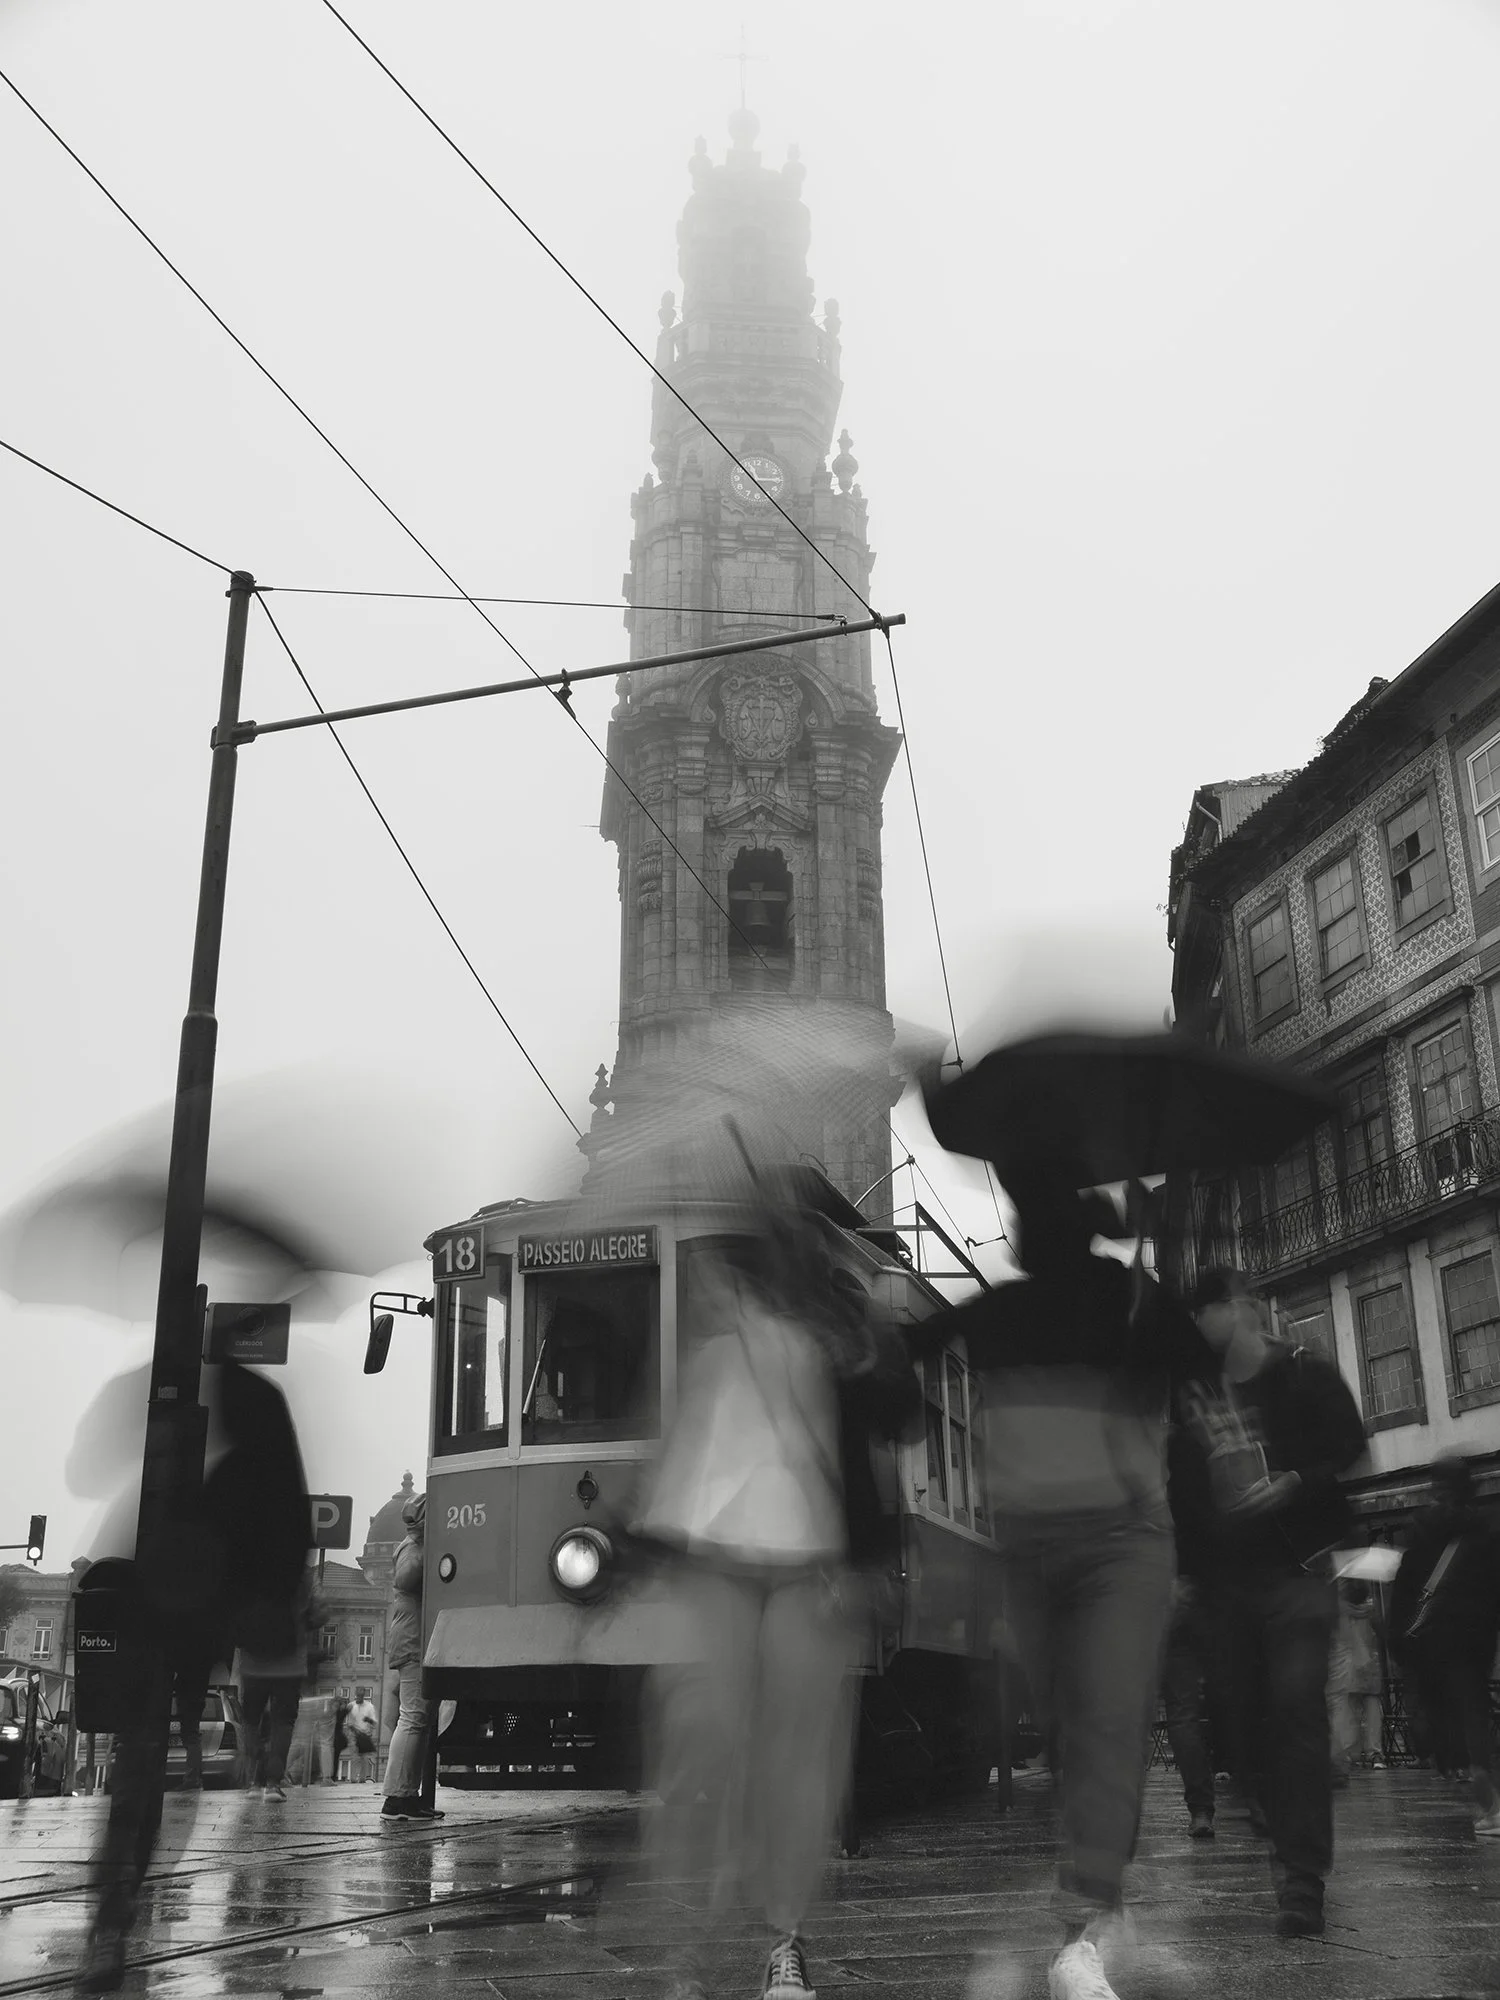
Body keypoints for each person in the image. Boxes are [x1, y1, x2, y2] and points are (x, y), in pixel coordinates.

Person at [910, 1170, 1218, 2000]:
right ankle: (1099, 1904)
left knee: (1108, 1721)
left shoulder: (1129, 1301)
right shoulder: (1014, 1310)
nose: (1017, 1233)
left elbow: (1197, 1369)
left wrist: (1156, 1295)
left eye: (1027, 1217)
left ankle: (1080, 1929)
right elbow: (907, 1350)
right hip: (1032, 1551)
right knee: (1072, 1731)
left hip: (1123, 1544)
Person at [635, 1210, 919, 2000]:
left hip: (814, 1564)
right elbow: (684, 1443)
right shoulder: (720, 1306)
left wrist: (871, 1348)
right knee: (706, 1736)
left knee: (797, 1761)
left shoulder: (843, 1320)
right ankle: (686, 1940)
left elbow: (897, 1416)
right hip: (715, 1554)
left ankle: (784, 1942)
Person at [1177, 1270, 1365, 1938]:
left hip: (1297, 1570)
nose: (1197, 1324)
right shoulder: (1189, 1393)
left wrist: (1294, 1483)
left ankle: (1302, 1880)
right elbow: (1177, 1481)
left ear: (1236, 1308)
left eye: (1204, 1311)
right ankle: (1276, 1824)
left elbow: (1352, 1452)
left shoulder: (1304, 1375)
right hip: (1223, 1585)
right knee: (1240, 1720)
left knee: (1296, 1709)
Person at [1390, 1454, 1500, 1834]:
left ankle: (1454, 1761)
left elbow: (1405, 1587)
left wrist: (1396, 1640)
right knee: (1473, 1706)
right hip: (1475, 1635)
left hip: (1432, 1636)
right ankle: (1480, 1769)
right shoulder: (1485, 1527)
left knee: (1437, 1706)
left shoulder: (1421, 1528)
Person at [381, 1495, 442, 1821]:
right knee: (414, 1717)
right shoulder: (411, 1548)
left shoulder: (412, 1545)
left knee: (418, 1719)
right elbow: (405, 1578)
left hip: (416, 1642)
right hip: (413, 1645)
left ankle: (407, 1794)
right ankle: (396, 1798)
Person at [1339, 1580, 1386, 1770]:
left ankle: (1351, 1753)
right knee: (1373, 1710)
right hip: (1370, 1664)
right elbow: (1382, 1633)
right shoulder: (1372, 1611)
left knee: (1349, 1712)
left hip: (1348, 1666)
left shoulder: (1340, 1611)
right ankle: (1375, 1753)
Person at [348, 1686, 379, 1782]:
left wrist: (368, 1720)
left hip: (365, 1734)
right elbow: (349, 1722)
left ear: (364, 1695)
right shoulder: (351, 1706)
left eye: (361, 1694)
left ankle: (362, 1779)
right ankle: (353, 1779)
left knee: (364, 1758)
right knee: (354, 1757)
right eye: (358, 1694)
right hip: (354, 1734)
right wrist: (352, 1728)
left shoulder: (369, 1706)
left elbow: (374, 1722)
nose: (359, 1696)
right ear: (356, 1694)